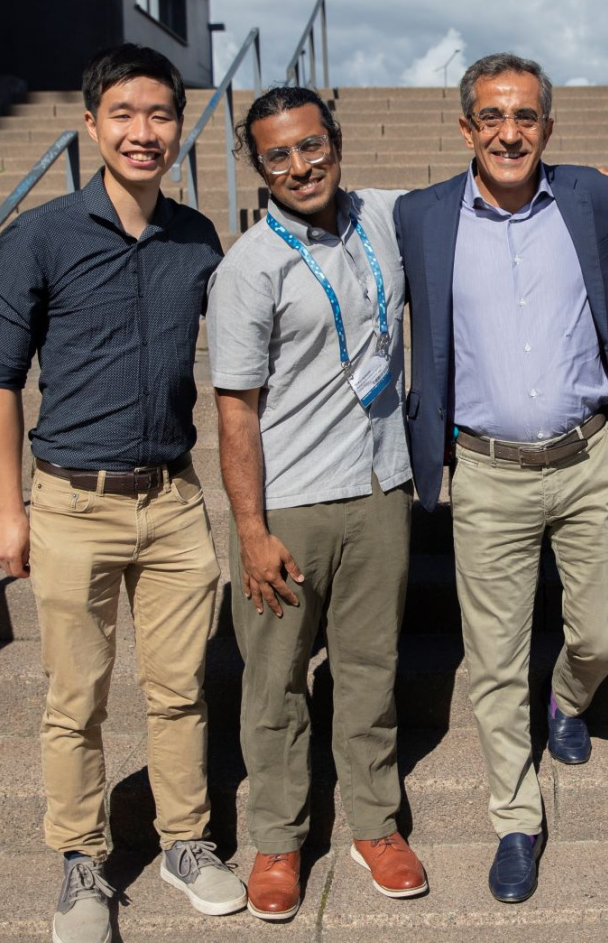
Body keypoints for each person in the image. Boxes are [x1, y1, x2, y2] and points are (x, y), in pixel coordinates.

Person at [0, 43, 245, 943]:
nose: (143, 132)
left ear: (180, 126)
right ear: (90, 125)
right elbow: (0, 380)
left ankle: (185, 843)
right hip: (70, 502)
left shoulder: (198, 238)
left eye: (160, 115)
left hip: (173, 499)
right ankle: (82, 863)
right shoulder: (40, 236)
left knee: (179, 689)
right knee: (76, 696)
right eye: (123, 114)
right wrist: (8, 507)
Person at [394, 53, 608, 904]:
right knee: (495, 660)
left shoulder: (593, 198)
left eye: (526, 117)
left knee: (604, 636)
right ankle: (514, 817)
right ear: (467, 128)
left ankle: (570, 700)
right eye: (492, 117)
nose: (510, 132)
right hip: (490, 471)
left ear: (548, 126)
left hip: (585, 458)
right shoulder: (423, 217)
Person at [206, 87, 427, 921]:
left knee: (370, 673)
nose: (300, 166)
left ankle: (375, 822)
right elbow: (235, 409)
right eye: (278, 156)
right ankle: (278, 838)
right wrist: (251, 530)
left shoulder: (382, 217)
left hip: (379, 488)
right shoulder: (248, 268)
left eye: (312, 146)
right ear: (257, 167)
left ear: (337, 142)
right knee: (274, 682)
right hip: (290, 501)